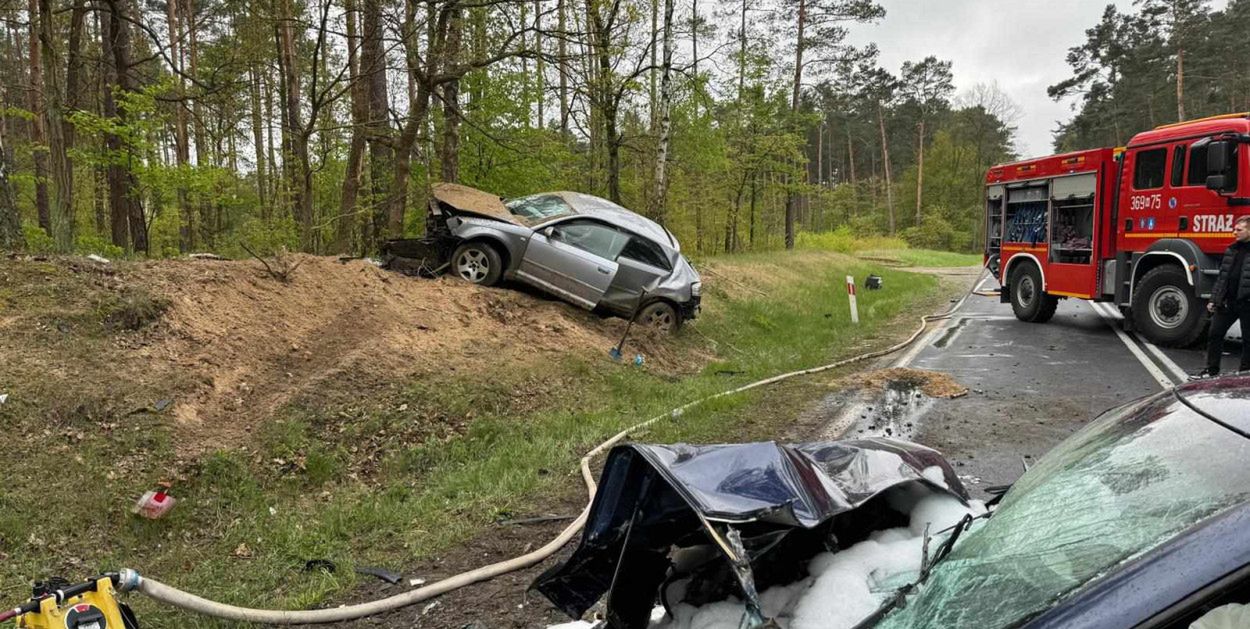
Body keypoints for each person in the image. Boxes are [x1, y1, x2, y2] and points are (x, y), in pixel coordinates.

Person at [1191, 216, 1250, 380]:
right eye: (1235, 229)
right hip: (1227, 302)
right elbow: (1222, 278)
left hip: (1247, 304)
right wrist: (1213, 299)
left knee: (1248, 341)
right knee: (1214, 334)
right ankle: (1211, 370)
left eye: (1239, 230)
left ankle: (1244, 375)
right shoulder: (1231, 250)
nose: (1234, 233)